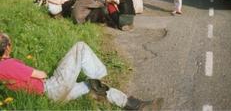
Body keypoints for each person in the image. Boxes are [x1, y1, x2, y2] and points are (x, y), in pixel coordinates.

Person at [0, 32, 163, 110]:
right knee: (80, 47)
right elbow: (41, 74)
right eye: (10, 44)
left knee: (90, 85)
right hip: (52, 88)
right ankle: (100, 76)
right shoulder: (8, 64)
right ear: (7, 48)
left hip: (52, 98)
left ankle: (134, 105)